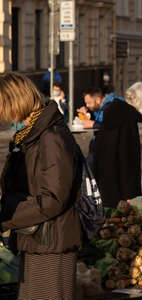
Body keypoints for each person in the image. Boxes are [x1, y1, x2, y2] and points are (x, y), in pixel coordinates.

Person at [0, 73, 82, 300]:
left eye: (4, 110)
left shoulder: (51, 137)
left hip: (52, 244)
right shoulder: (29, 136)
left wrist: (7, 214)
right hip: (38, 240)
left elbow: (53, 199)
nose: (4, 119)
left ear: (16, 104)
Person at [78, 83, 142, 208]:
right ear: (138, 99)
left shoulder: (117, 112)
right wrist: (129, 192)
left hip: (110, 184)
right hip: (116, 186)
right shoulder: (124, 116)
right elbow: (126, 157)